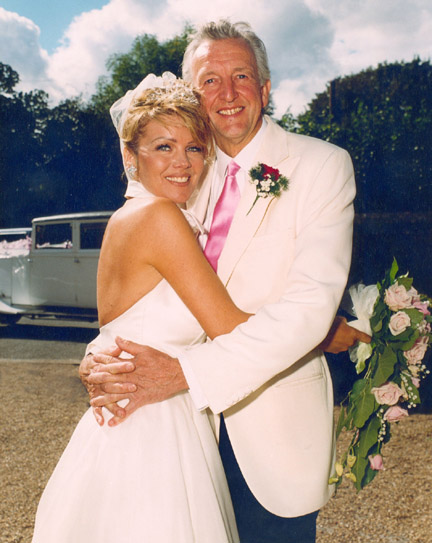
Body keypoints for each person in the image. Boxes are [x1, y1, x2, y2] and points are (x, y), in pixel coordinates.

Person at [81, 21, 370, 543]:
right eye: (210, 81)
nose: (228, 93)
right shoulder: (178, 173)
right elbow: (138, 290)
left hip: (272, 430)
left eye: (241, 76)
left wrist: (184, 373)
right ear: (192, 96)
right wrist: (103, 358)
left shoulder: (322, 166)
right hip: (170, 432)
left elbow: (308, 308)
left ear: (265, 89)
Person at [32, 73, 251, 543]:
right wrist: (327, 330)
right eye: (163, 147)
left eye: (194, 148)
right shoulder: (159, 217)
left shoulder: (126, 217)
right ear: (131, 156)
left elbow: (114, 328)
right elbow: (231, 329)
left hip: (130, 420)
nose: (182, 162)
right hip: (154, 434)